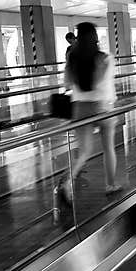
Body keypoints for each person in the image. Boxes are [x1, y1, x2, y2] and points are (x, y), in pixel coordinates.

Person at [56, 22, 121, 201]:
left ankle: (68, 181)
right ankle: (111, 184)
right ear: (95, 37)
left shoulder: (72, 58)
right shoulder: (105, 58)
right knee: (108, 148)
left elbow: (67, 83)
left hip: (79, 107)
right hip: (103, 107)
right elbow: (102, 83)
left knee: (84, 151)